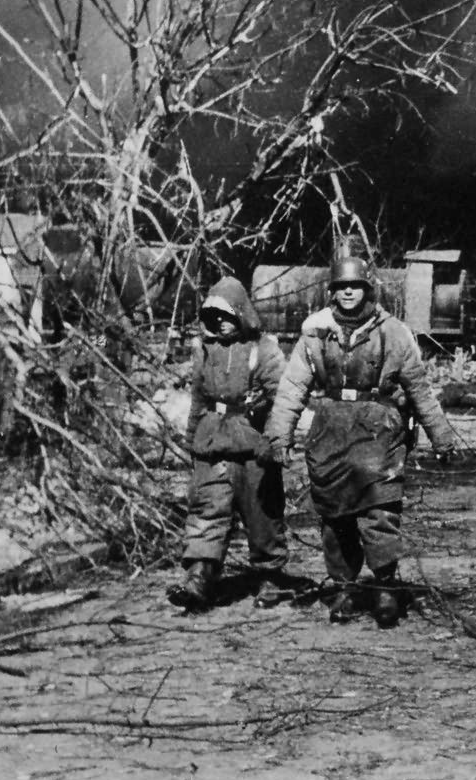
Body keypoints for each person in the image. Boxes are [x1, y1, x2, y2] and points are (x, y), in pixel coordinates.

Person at [265, 255, 459, 628]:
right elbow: (292, 388)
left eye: (355, 286)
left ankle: (385, 587)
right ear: (331, 292)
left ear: (368, 289)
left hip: (379, 432)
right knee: (334, 518)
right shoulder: (315, 333)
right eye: (341, 287)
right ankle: (346, 587)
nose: (348, 292)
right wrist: (279, 434)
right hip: (329, 433)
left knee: (379, 513)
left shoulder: (395, 333)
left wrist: (442, 437)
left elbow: (419, 388)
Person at [169, 277, 292, 611]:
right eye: (213, 315)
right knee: (207, 508)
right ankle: (199, 577)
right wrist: (193, 436)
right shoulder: (204, 350)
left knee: (261, 513)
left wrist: (275, 437)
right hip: (214, 438)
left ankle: (270, 577)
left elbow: (281, 395)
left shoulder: (263, 349)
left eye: (227, 314)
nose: (220, 321)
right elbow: (198, 396)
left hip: (253, 441)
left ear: (242, 313)